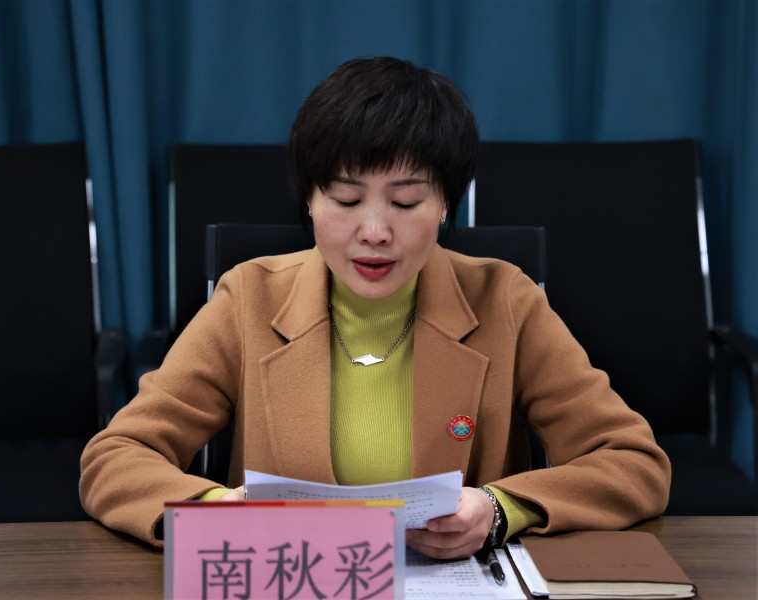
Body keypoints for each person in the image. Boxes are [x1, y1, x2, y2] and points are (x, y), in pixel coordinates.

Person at [80, 56, 670, 559]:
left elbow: (633, 462)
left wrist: (500, 509)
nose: (374, 232)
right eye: (345, 199)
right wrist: (215, 510)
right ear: (309, 201)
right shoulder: (249, 297)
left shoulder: (505, 300)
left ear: (445, 204)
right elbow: (117, 456)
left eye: (406, 202)